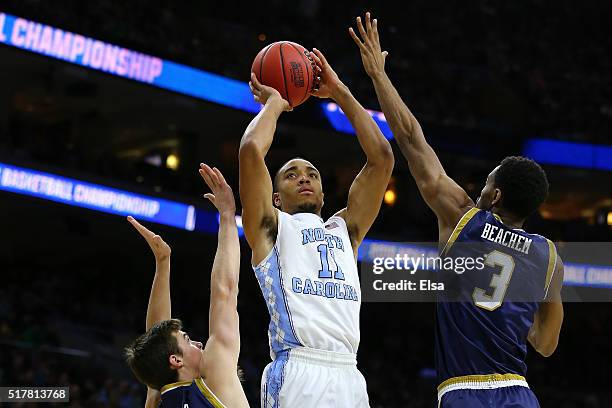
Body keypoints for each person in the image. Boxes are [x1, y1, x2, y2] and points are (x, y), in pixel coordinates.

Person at [350, 12, 564, 407]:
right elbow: (545, 344)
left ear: (496, 197)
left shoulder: (463, 217)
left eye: (485, 183)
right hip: (519, 392)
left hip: (464, 390)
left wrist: (378, 75)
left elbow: (413, 140)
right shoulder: (547, 255)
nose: (479, 190)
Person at [239, 46, 394, 407]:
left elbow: (382, 158)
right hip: (298, 369)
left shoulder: (345, 230)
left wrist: (340, 91)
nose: (303, 178)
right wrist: (276, 103)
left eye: (312, 173)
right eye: (291, 175)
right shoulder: (270, 229)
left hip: (350, 374)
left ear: (324, 193)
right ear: (276, 197)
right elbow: (250, 150)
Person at [124, 164, 249, 408]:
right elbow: (224, 291)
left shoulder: (158, 399)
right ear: (176, 360)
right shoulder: (215, 380)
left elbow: (155, 348)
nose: (198, 343)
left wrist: (163, 264)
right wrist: (227, 214)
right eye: (188, 339)